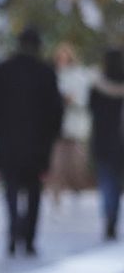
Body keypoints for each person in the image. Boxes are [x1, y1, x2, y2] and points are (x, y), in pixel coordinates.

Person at [0, 29, 64, 257]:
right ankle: (28, 237)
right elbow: (56, 111)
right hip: (37, 144)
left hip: (8, 141)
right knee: (34, 190)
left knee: (10, 188)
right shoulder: (46, 73)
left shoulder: (2, 71)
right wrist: (51, 136)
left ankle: (14, 230)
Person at [51, 42, 94, 206]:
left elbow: (84, 100)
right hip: (57, 127)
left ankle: (77, 189)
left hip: (74, 126)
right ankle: (56, 195)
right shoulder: (53, 75)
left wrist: (71, 100)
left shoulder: (79, 76)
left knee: (76, 164)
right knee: (57, 165)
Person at [88, 48, 124, 241]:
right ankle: (113, 217)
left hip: (103, 140)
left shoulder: (97, 86)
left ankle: (108, 217)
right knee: (116, 183)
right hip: (120, 141)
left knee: (106, 181)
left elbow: (91, 109)